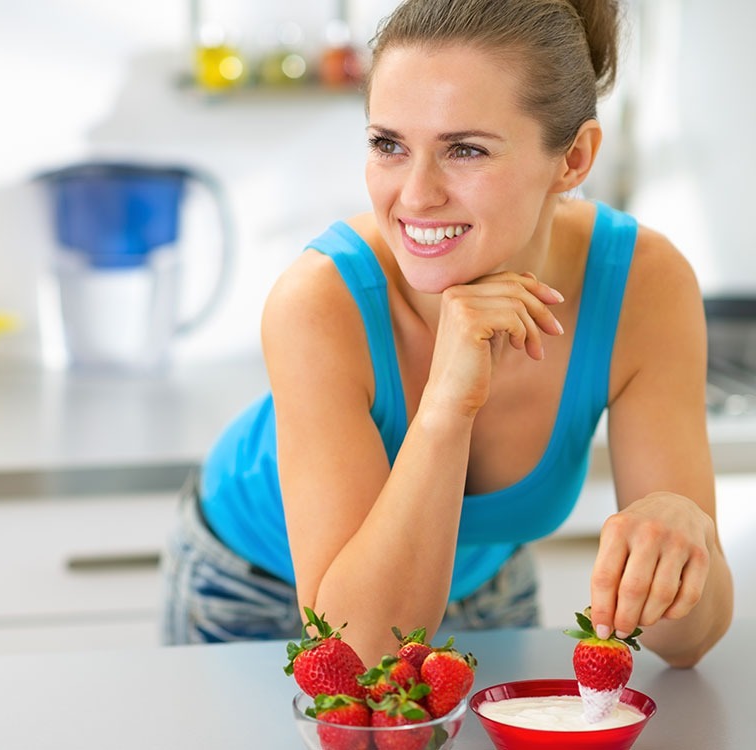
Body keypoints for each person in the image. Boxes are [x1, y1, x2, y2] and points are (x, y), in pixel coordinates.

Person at [160, 0, 733, 669]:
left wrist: (682, 544)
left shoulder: (643, 285)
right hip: (259, 589)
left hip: (483, 587)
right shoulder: (318, 302)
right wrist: (446, 401)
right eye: (388, 145)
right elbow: (357, 653)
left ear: (573, 158)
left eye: (465, 150)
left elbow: (688, 646)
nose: (416, 195)